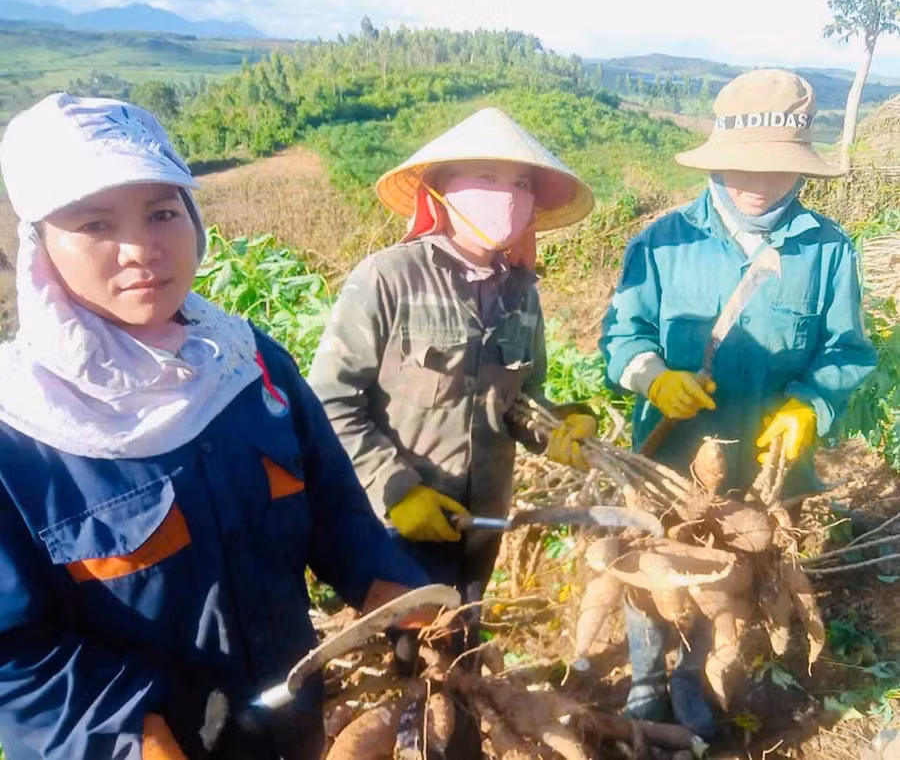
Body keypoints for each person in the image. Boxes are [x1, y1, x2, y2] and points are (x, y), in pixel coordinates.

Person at [0, 92, 432, 760]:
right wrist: (128, 736)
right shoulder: (20, 434)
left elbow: (333, 506)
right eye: (94, 224)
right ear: (40, 247)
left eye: (162, 212)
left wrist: (389, 585)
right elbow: (13, 655)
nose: (142, 248)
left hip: (289, 721)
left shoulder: (246, 362)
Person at [600, 69, 876, 738]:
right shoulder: (662, 243)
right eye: (743, 166)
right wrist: (651, 376)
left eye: (778, 170)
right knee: (650, 563)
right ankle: (644, 680)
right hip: (667, 460)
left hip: (764, 467)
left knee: (729, 577)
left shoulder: (828, 250)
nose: (758, 183)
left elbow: (845, 352)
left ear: (801, 167)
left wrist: (809, 406)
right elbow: (621, 337)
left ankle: (692, 678)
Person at [308, 107, 597, 611]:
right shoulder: (388, 278)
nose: (509, 197)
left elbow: (520, 402)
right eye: (487, 178)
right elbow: (330, 403)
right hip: (394, 524)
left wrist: (558, 427)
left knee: (462, 639)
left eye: (522, 183)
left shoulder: (522, 294)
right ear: (441, 189)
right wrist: (396, 490)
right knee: (406, 659)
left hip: (482, 523)